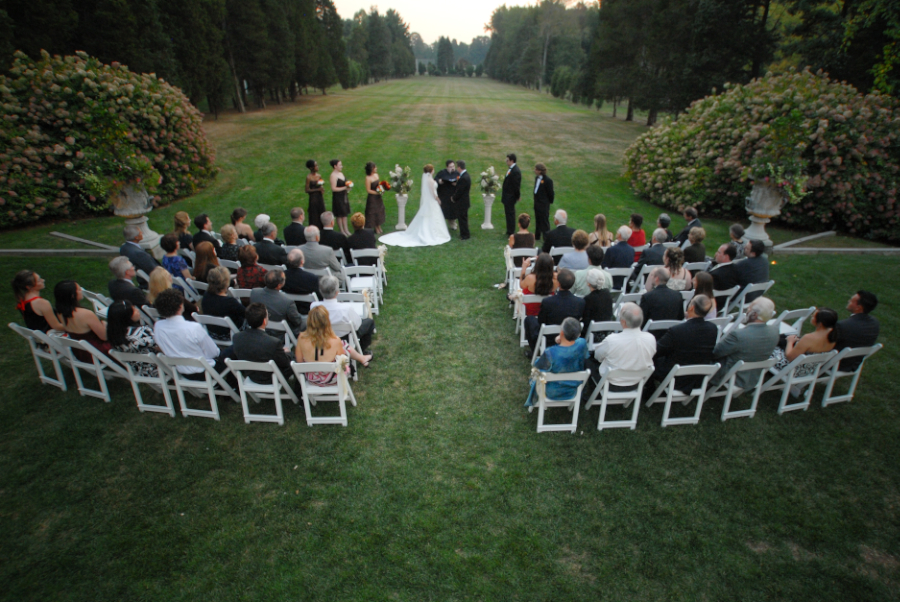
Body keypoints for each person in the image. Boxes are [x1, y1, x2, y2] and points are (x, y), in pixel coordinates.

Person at [153, 288, 232, 379]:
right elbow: (214, 353)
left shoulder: (158, 326)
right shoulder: (193, 328)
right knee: (234, 349)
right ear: (180, 306)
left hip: (182, 372)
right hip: (206, 371)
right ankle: (234, 385)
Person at [653, 295, 718, 391]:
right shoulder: (713, 328)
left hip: (675, 377)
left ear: (691, 307)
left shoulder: (678, 330)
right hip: (697, 377)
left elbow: (657, 350)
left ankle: (649, 390)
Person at [712, 297, 779, 388]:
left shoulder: (738, 335)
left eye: (749, 308)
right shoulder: (774, 331)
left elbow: (715, 353)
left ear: (754, 314)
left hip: (730, 376)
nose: (747, 311)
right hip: (753, 377)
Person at [295, 306, 372, 386]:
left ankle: (362, 358)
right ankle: (361, 358)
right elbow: (343, 365)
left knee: (342, 345)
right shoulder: (335, 340)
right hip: (333, 380)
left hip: (312, 379)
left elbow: (299, 361)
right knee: (343, 345)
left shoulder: (301, 337)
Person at [591, 302, 656, 388]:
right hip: (636, 383)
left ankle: (590, 395)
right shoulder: (651, 338)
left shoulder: (612, 340)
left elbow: (597, 356)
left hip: (610, 383)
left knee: (588, 360)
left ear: (623, 322)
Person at [525, 317, 586, 408]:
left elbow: (537, 369)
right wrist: (561, 339)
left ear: (561, 332)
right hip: (571, 391)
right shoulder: (582, 343)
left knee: (536, 370)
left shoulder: (551, 352)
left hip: (552, 392)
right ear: (578, 334)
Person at [310, 275, 375, 354]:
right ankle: (361, 351)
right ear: (337, 292)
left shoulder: (314, 306)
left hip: (324, 336)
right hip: (345, 338)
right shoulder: (346, 308)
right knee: (369, 322)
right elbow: (357, 325)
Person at [526, 268, 585, 352]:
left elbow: (541, 321)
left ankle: (534, 351)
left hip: (549, 339)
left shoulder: (548, 302)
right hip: (569, 336)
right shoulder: (580, 302)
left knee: (529, 319)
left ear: (558, 283)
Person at [232, 303, 294, 383]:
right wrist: (287, 353)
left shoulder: (237, 338)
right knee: (294, 358)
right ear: (264, 321)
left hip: (251, 376)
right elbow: (285, 363)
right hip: (272, 378)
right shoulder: (273, 342)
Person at [770, 307, 838, 377]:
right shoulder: (833, 336)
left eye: (813, 316)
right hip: (810, 370)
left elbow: (790, 357)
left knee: (769, 346)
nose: (811, 317)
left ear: (820, 323)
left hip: (793, 370)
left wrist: (790, 341)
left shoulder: (809, 338)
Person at [53, 280, 111, 361]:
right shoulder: (86, 314)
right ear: (72, 295)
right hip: (98, 352)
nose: (81, 291)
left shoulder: (60, 312)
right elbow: (104, 337)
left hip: (80, 352)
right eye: (79, 289)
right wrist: (104, 324)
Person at [106, 300, 158, 377]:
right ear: (126, 317)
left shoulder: (114, 334)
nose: (137, 310)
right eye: (134, 310)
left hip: (139, 371)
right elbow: (160, 346)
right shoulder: (141, 333)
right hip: (158, 369)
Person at [250, 269, 305, 335]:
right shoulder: (287, 302)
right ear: (279, 285)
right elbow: (297, 321)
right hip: (279, 335)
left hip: (257, 329)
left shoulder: (254, 292)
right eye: (284, 279)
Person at [835, 290, 880, 371]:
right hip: (854, 364)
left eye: (852, 300)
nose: (848, 301)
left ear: (858, 307)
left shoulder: (843, 325)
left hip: (837, 363)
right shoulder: (875, 323)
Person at [201, 267, 246, 340]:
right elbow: (246, 313)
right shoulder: (230, 302)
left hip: (212, 333)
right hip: (229, 334)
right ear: (226, 282)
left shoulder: (206, 295)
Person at [514, 253, 559, 317]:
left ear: (537, 265)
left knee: (517, 287)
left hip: (529, 310)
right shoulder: (555, 279)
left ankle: (511, 298)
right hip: (546, 309)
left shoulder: (530, 278)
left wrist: (524, 268)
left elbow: (521, 285)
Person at [283, 249, 321, 314]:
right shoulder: (311, 278)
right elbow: (319, 297)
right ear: (302, 262)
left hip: (288, 309)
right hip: (308, 310)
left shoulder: (282, 276)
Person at [581, 268, 614, 337]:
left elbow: (586, 322)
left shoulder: (588, 299)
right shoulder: (607, 293)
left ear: (588, 283)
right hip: (607, 332)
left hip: (592, 335)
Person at [329, 159, 352, 236]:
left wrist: (348, 187)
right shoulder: (333, 176)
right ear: (335, 166)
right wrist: (345, 188)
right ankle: (342, 230)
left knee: (344, 213)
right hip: (338, 197)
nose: (341, 166)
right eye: (340, 165)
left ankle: (346, 229)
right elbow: (334, 188)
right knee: (339, 214)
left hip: (344, 196)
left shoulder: (341, 174)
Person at [532, 162, 555, 241]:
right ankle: (537, 235)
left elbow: (550, 193)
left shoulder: (548, 180)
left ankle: (547, 237)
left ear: (540, 170)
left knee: (544, 221)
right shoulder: (536, 178)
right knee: (537, 220)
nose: (534, 170)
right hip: (537, 203)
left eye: (535, 169)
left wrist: (548, 202)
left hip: (544, 204)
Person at [501, 153, 522, 237]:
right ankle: (509, 230)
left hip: (510, 196)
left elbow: (516, 186)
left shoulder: (515, 171)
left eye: (507, 160)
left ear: (512, 161)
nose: (506, 162)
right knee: (508, 213)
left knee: (510, 214)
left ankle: (511, 231)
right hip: (507, 196)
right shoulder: (511, 169)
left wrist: (517, 196)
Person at [451, 159, 471, 240]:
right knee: (463, 218)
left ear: (459, 167)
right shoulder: (466, 176)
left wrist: (453, 198)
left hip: (462, 202)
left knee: (462, 219)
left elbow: (460, 191)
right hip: (465, 202)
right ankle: (465, 233)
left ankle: (464, 235)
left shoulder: (463, 178)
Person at [435, 160, 458, 230]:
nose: (452, 168)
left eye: (453, 166)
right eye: (450, 167)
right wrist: (439, 181)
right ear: (447, 167)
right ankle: (440, 225)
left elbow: (462, 182)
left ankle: (453, 224)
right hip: (443, 195)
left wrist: (457, 184)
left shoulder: (457, 173)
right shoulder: (442, 173)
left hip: (453, 195)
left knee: (452, 211)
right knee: (442, 210)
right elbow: (435, 180)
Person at [364, 161, 385, 234]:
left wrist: (381, 189)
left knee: (379, 211)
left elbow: (379, 185)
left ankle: (379, 226)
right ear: (371, 169)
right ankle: (376, 227)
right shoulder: (368, 178)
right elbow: (368, 190)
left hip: (378, 197)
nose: (376, 168)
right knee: (374, 212)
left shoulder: (376, 175)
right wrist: (377, 192)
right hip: (372, 198)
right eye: (374, 167)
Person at [306, 159, 327, 230]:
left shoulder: (319, 176)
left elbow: (320, 185)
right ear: (311, 168)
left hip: (319, 197)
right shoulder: (309, 177)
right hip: (313, 198)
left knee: (321, 211)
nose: (317, 167)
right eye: (315, 166)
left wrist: (321, 188)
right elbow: (307, 190)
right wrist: (317, 190)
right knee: (314, 214)